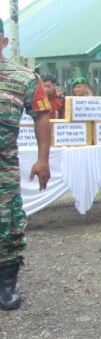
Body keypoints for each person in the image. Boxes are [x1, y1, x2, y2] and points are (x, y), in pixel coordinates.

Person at [0, 18, 51, 310]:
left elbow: (41, 116)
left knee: (7, 223)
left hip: (4, 166)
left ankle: (6, 285)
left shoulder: (24, 78)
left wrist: (43, 160)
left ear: (4, 42)